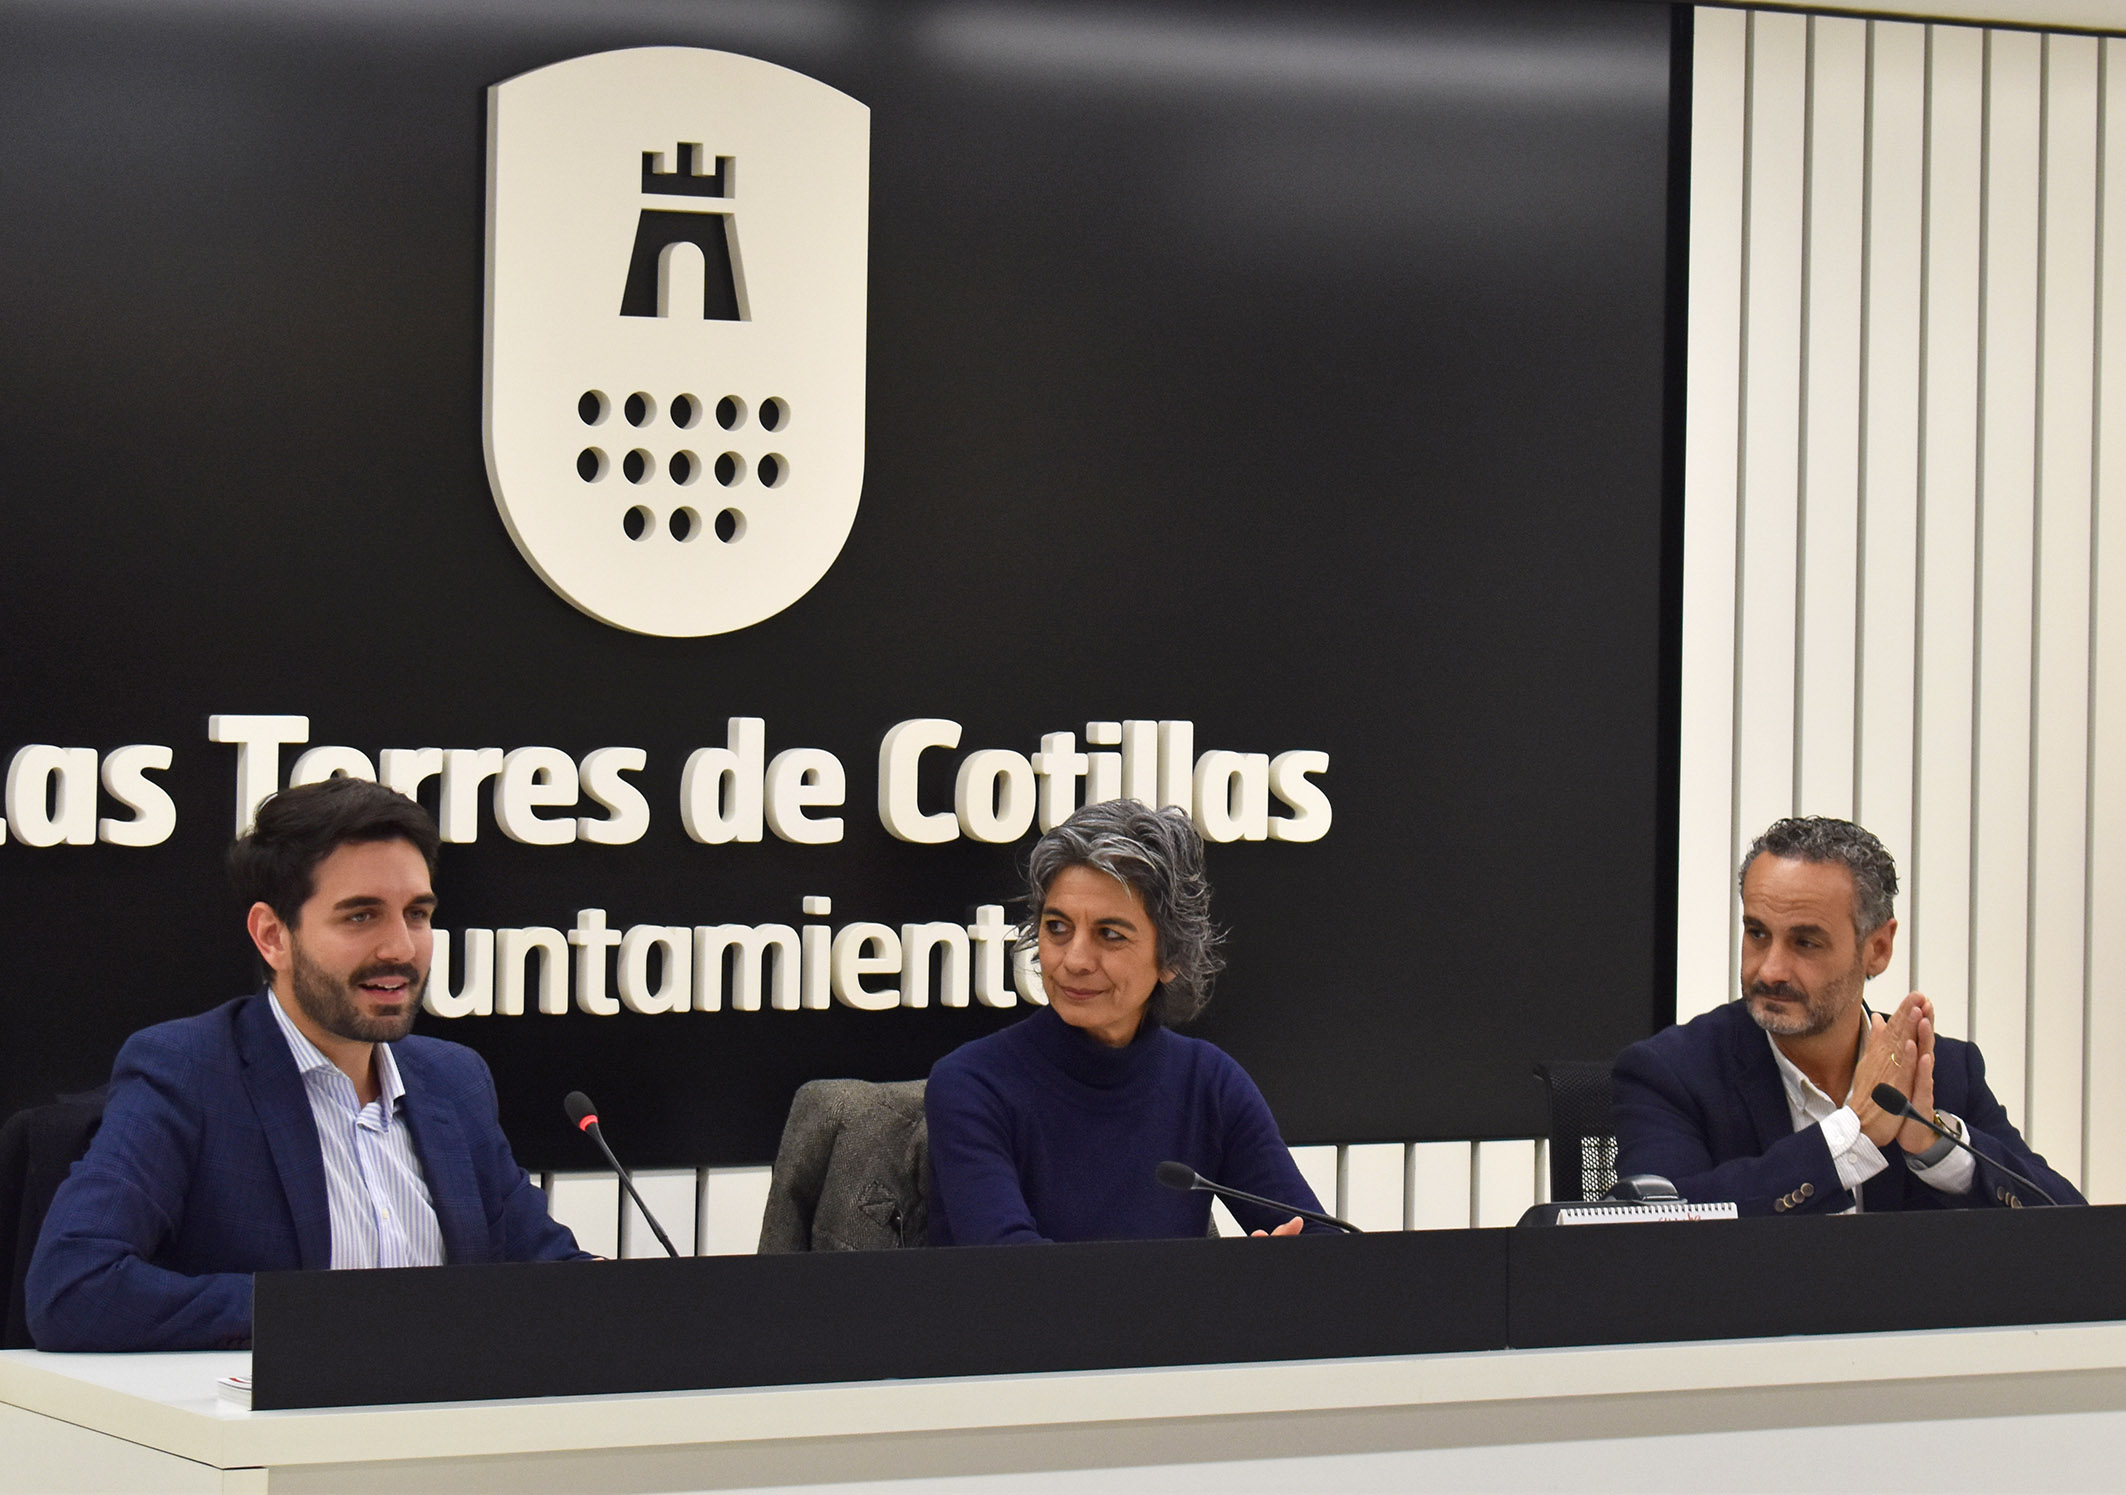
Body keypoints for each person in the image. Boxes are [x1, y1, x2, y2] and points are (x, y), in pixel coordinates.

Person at [27, 777, 587, 1352]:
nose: (400, 947)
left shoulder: (452, 1079)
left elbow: (549, 1270)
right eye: (360, 917)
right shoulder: (188, 1072)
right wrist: (329, 1314)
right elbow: (75, 1290)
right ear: (274, 937)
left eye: (416, 914)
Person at [1612, 816, 2082, 1215]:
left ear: (1877, 948)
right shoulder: (1670, 1073)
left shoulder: (1943, 1073)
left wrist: (1940, 1151)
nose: (1769, 969)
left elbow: (2073, 1230)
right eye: (1757, 933)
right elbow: (1661, 1231)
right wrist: (1849, 1136)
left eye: (1805, 943)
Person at [925, 799, 1325, 1244]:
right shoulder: (971, 1083)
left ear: (1171, 957)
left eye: (1109, 935)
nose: (1073, 960)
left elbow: (1322, 1244)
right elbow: (1017, 1276)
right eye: (1057, 927)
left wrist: (1286, 1262)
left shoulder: (1209, 1082)